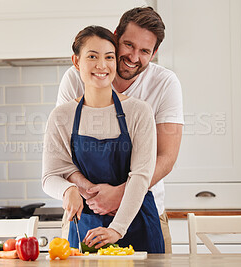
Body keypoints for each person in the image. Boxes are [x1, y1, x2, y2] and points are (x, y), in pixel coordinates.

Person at [56, 7, 183, 253]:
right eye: (128, 45)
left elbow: (167, 157)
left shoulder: (164, 83)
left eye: (145, 51)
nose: (134, 56)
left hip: (146, 213)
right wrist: (89, 192)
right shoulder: (76, 78)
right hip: (83, 214)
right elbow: (62, 156)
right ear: (115, 37)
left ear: (154, 53)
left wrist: (122, 195)